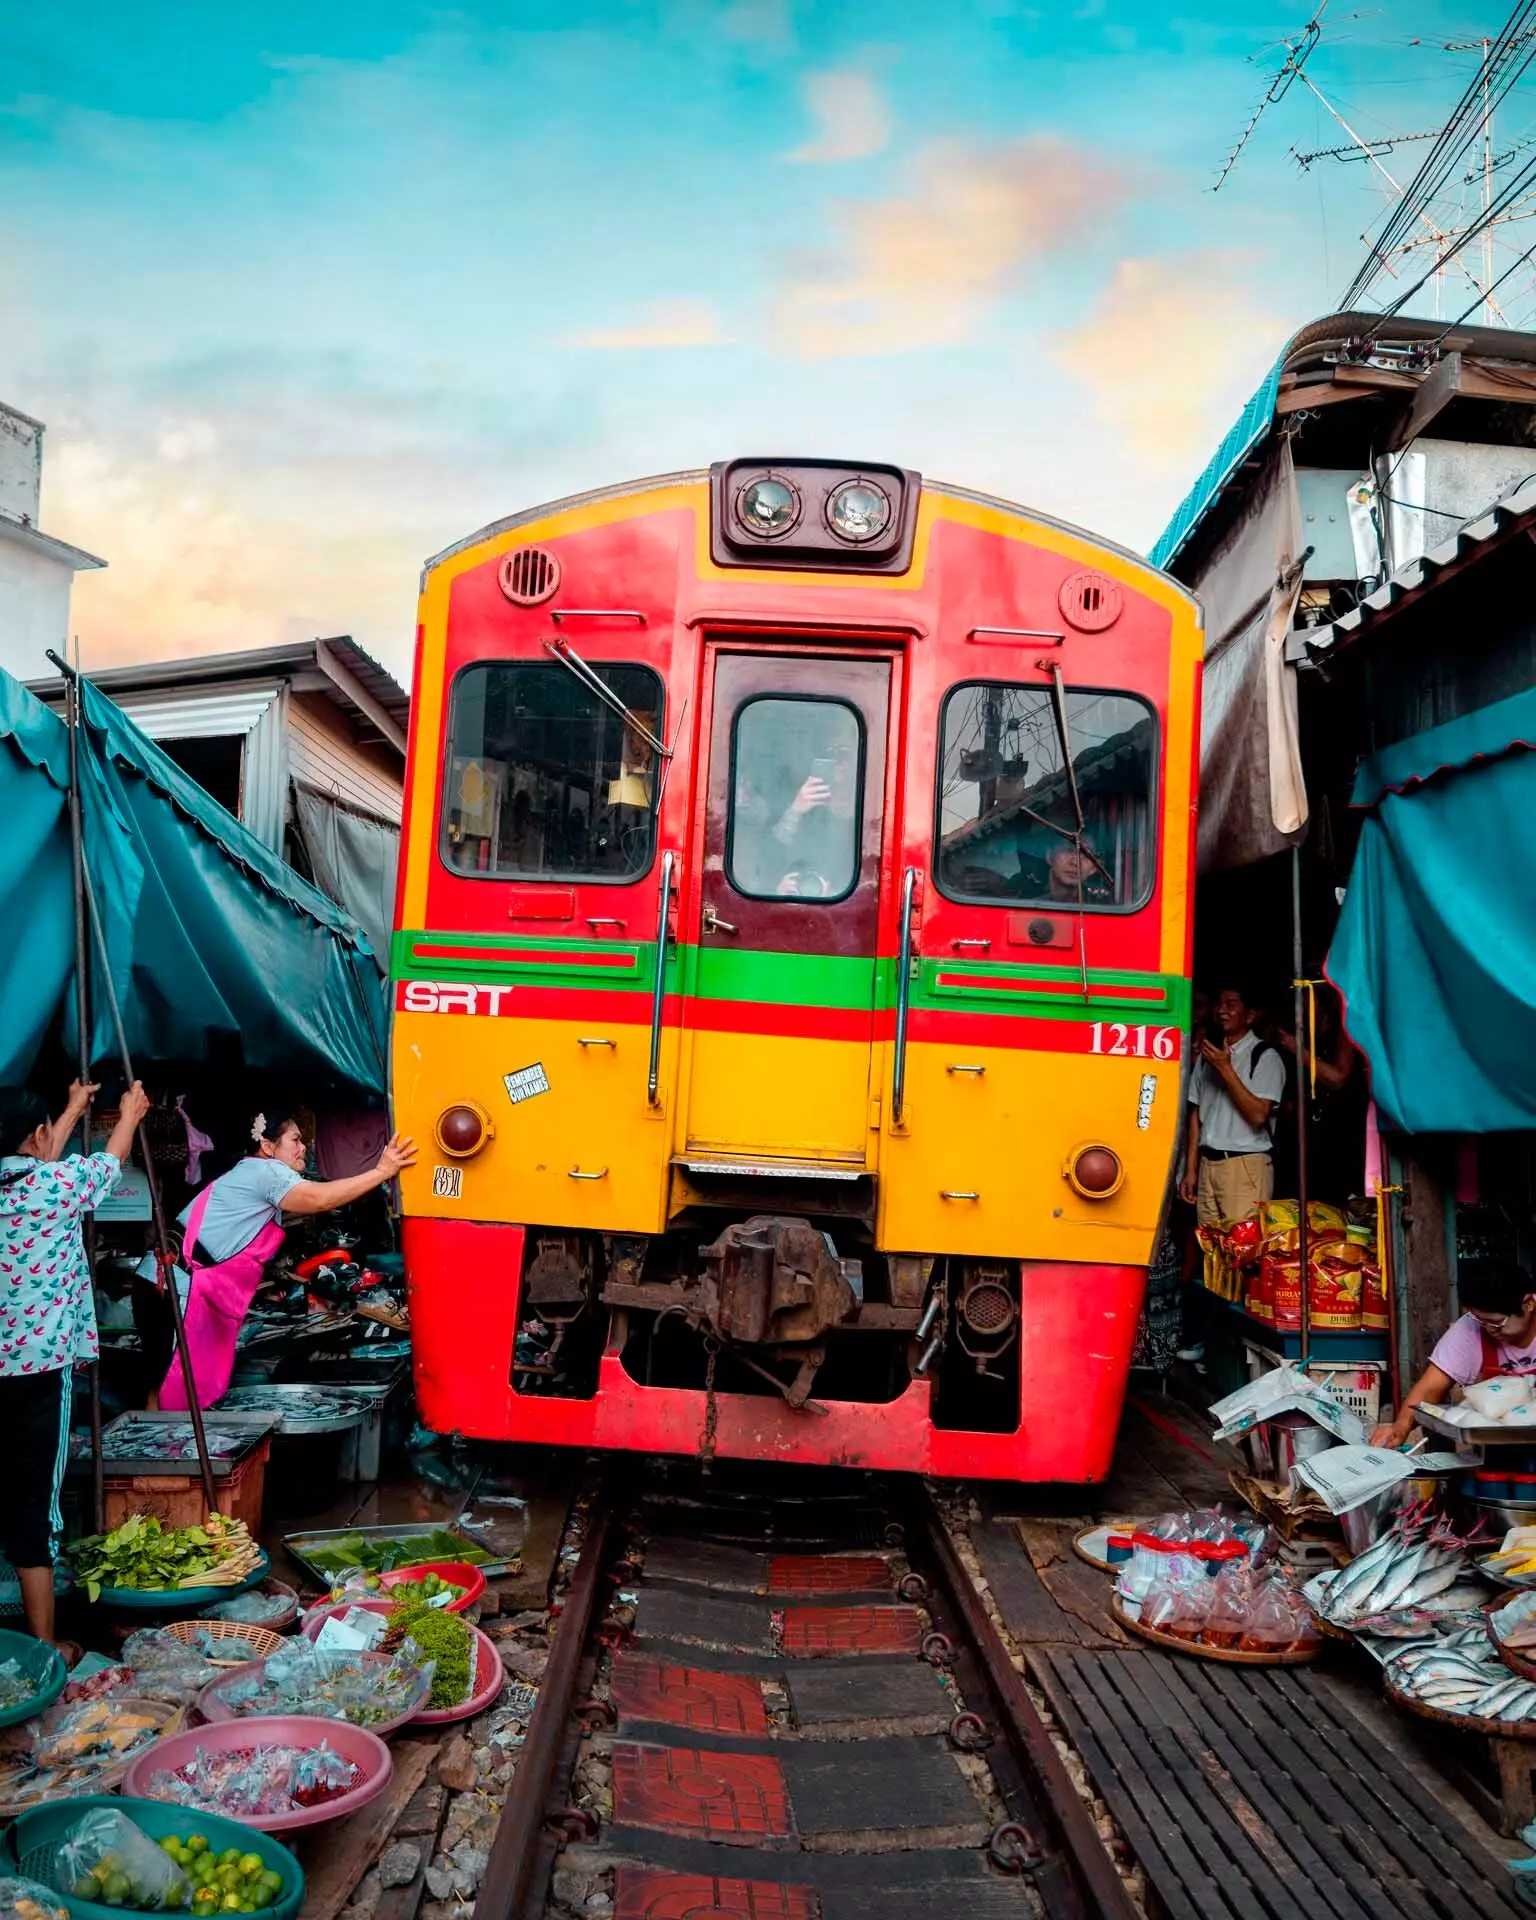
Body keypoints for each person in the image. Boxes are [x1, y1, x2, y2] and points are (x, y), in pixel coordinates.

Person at [0, 1078, 152, 1657]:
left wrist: (68, 1110)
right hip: (39, 1372)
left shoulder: (35, 1178)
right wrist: (130, 1115)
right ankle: (45, 1643)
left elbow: (34, 1154)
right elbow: (106, 1165)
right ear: (38, 1137)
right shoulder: (55, 1186)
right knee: (36, 1499)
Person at [157, 1111, 417, 1411]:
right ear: (268, 1147)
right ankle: (170, 1455)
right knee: (175, 1391)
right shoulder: (267, 1172)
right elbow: (320, 1199)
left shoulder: (251, 1172)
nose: (303, 1147)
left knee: (166, 1388)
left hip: (171, 1283)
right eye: (295, 1139)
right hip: (178, 1287)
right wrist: (381, 1171)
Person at [1370, 1257, 1536, 1449]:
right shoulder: (1471, 1328)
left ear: (1528, 1304)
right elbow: (1431, 1387)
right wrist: (1400, 1427)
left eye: (1497, 1322)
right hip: (1499, 1449)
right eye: (1482, 1321)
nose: (1490, 1329)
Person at [1178, 983, 1286, 1226]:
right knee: (1211, 1251)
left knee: (1242, 1253)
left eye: (1231, 1004)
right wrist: (1192, 1169)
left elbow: (1258, 1116)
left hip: (1245, 1166)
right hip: (1208, 1165)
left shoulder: (1265, 1057)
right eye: (1219, 1004)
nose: (1221, 1010)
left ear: (1250, 1015)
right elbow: (1195, 1115)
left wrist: (1226, 1068)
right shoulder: (1208, 1056)